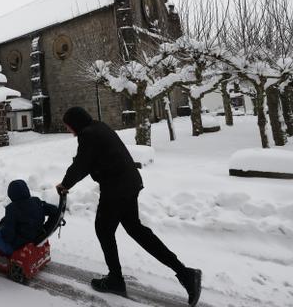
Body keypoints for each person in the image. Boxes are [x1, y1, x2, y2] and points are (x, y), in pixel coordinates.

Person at [55, 106, 202, 307]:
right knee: (135, 230)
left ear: (75, 124)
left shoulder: (88, 135)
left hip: (116, 187)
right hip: (129, 182)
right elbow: (89, 158)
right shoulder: (98, 127)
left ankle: (115, 280)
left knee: (104, 230)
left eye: (68, 126)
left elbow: (82, 164)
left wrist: (65, 185)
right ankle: (186, 274)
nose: (68, 130)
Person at [0, 179, 58, 255]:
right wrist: (45, 228)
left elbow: (8, 237)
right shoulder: (37, 201)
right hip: (33, 238)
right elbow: (54, 210)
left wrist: (1, 231)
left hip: (14, 247)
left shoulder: (12, 209)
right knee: (4, 221)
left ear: (11, 193)